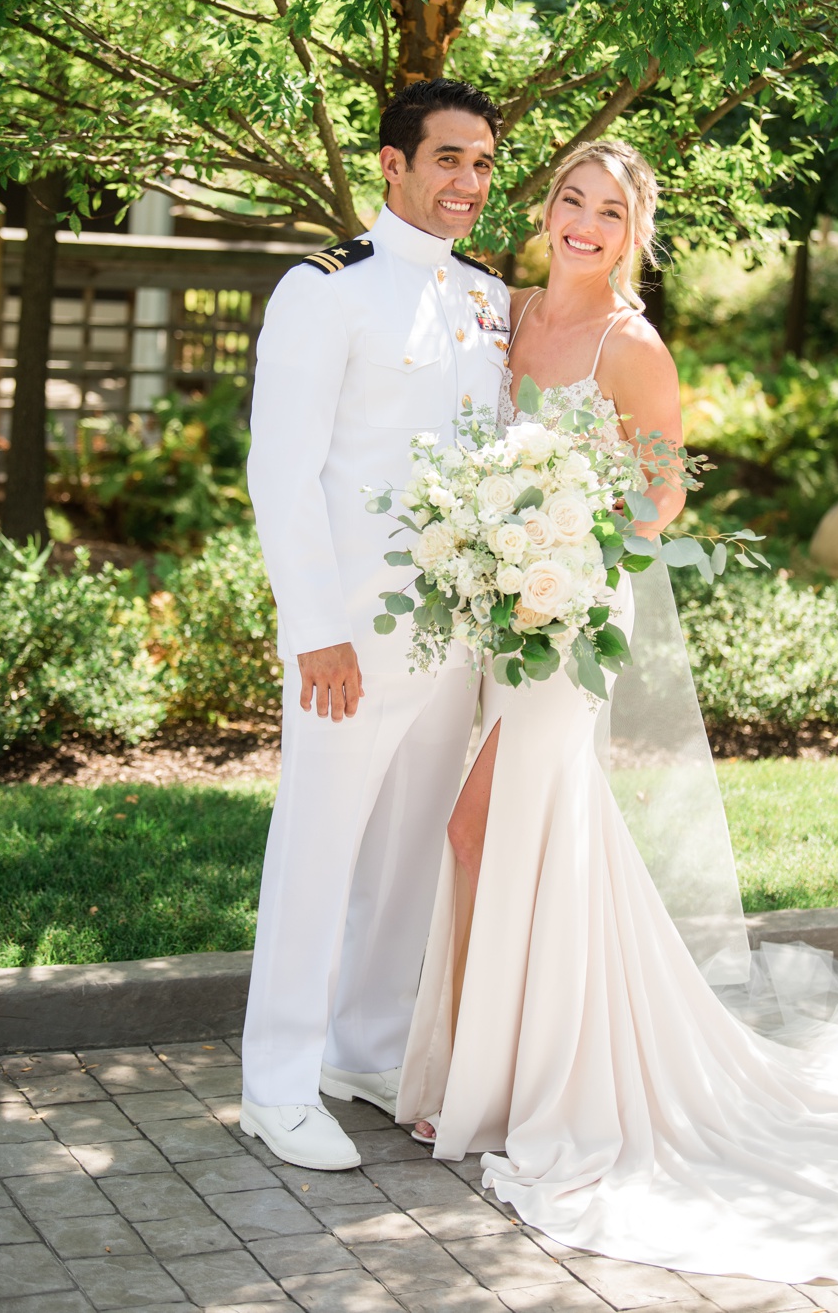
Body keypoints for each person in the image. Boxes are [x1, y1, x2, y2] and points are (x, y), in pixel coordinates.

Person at [392, 141, 838, 1290]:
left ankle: (504, 1085)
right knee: (539, 839)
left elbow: (661, 498)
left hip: (565, 616)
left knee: (483, 827)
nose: (586, 224)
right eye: (571, 200)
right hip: (494, 605)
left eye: (610, 211)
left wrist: (560, 531)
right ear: (544, 209)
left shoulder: (629, 344)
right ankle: (494, 1072)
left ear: (634, 230)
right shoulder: (503, 315)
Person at [241, 79, 511, 1170]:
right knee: (318, 848)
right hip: (349, 633)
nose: (468, 183)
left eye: (484, 163)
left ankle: (360, 1046)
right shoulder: (325, 292)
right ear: (392, 165)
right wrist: (314, 629)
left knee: (407, 850)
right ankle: (276, 1082)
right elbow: (283, 471)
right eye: (448, 159)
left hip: (453, 633)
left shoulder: (486, 296)